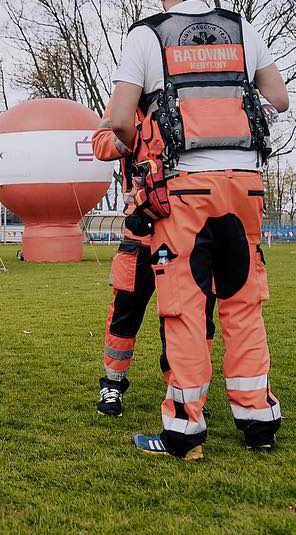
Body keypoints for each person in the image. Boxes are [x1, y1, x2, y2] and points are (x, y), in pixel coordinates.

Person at [106, 0, 289, 460]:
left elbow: (119, 118)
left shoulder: (148, 35)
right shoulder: (241, 28)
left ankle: (184, 432)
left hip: (185, 187)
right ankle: (258, 423)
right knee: (243, 303)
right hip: (246, 183)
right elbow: (279, 98)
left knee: (185, 308)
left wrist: (140, 146)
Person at [91, 110, 216, 417]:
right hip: (140, 235)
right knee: (124, 314)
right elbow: (100, 143)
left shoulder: (190, 100)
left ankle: (184, 390)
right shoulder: (128, 103)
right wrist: (133, 135)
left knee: (188, 318)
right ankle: (112, 384)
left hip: (187, 234)